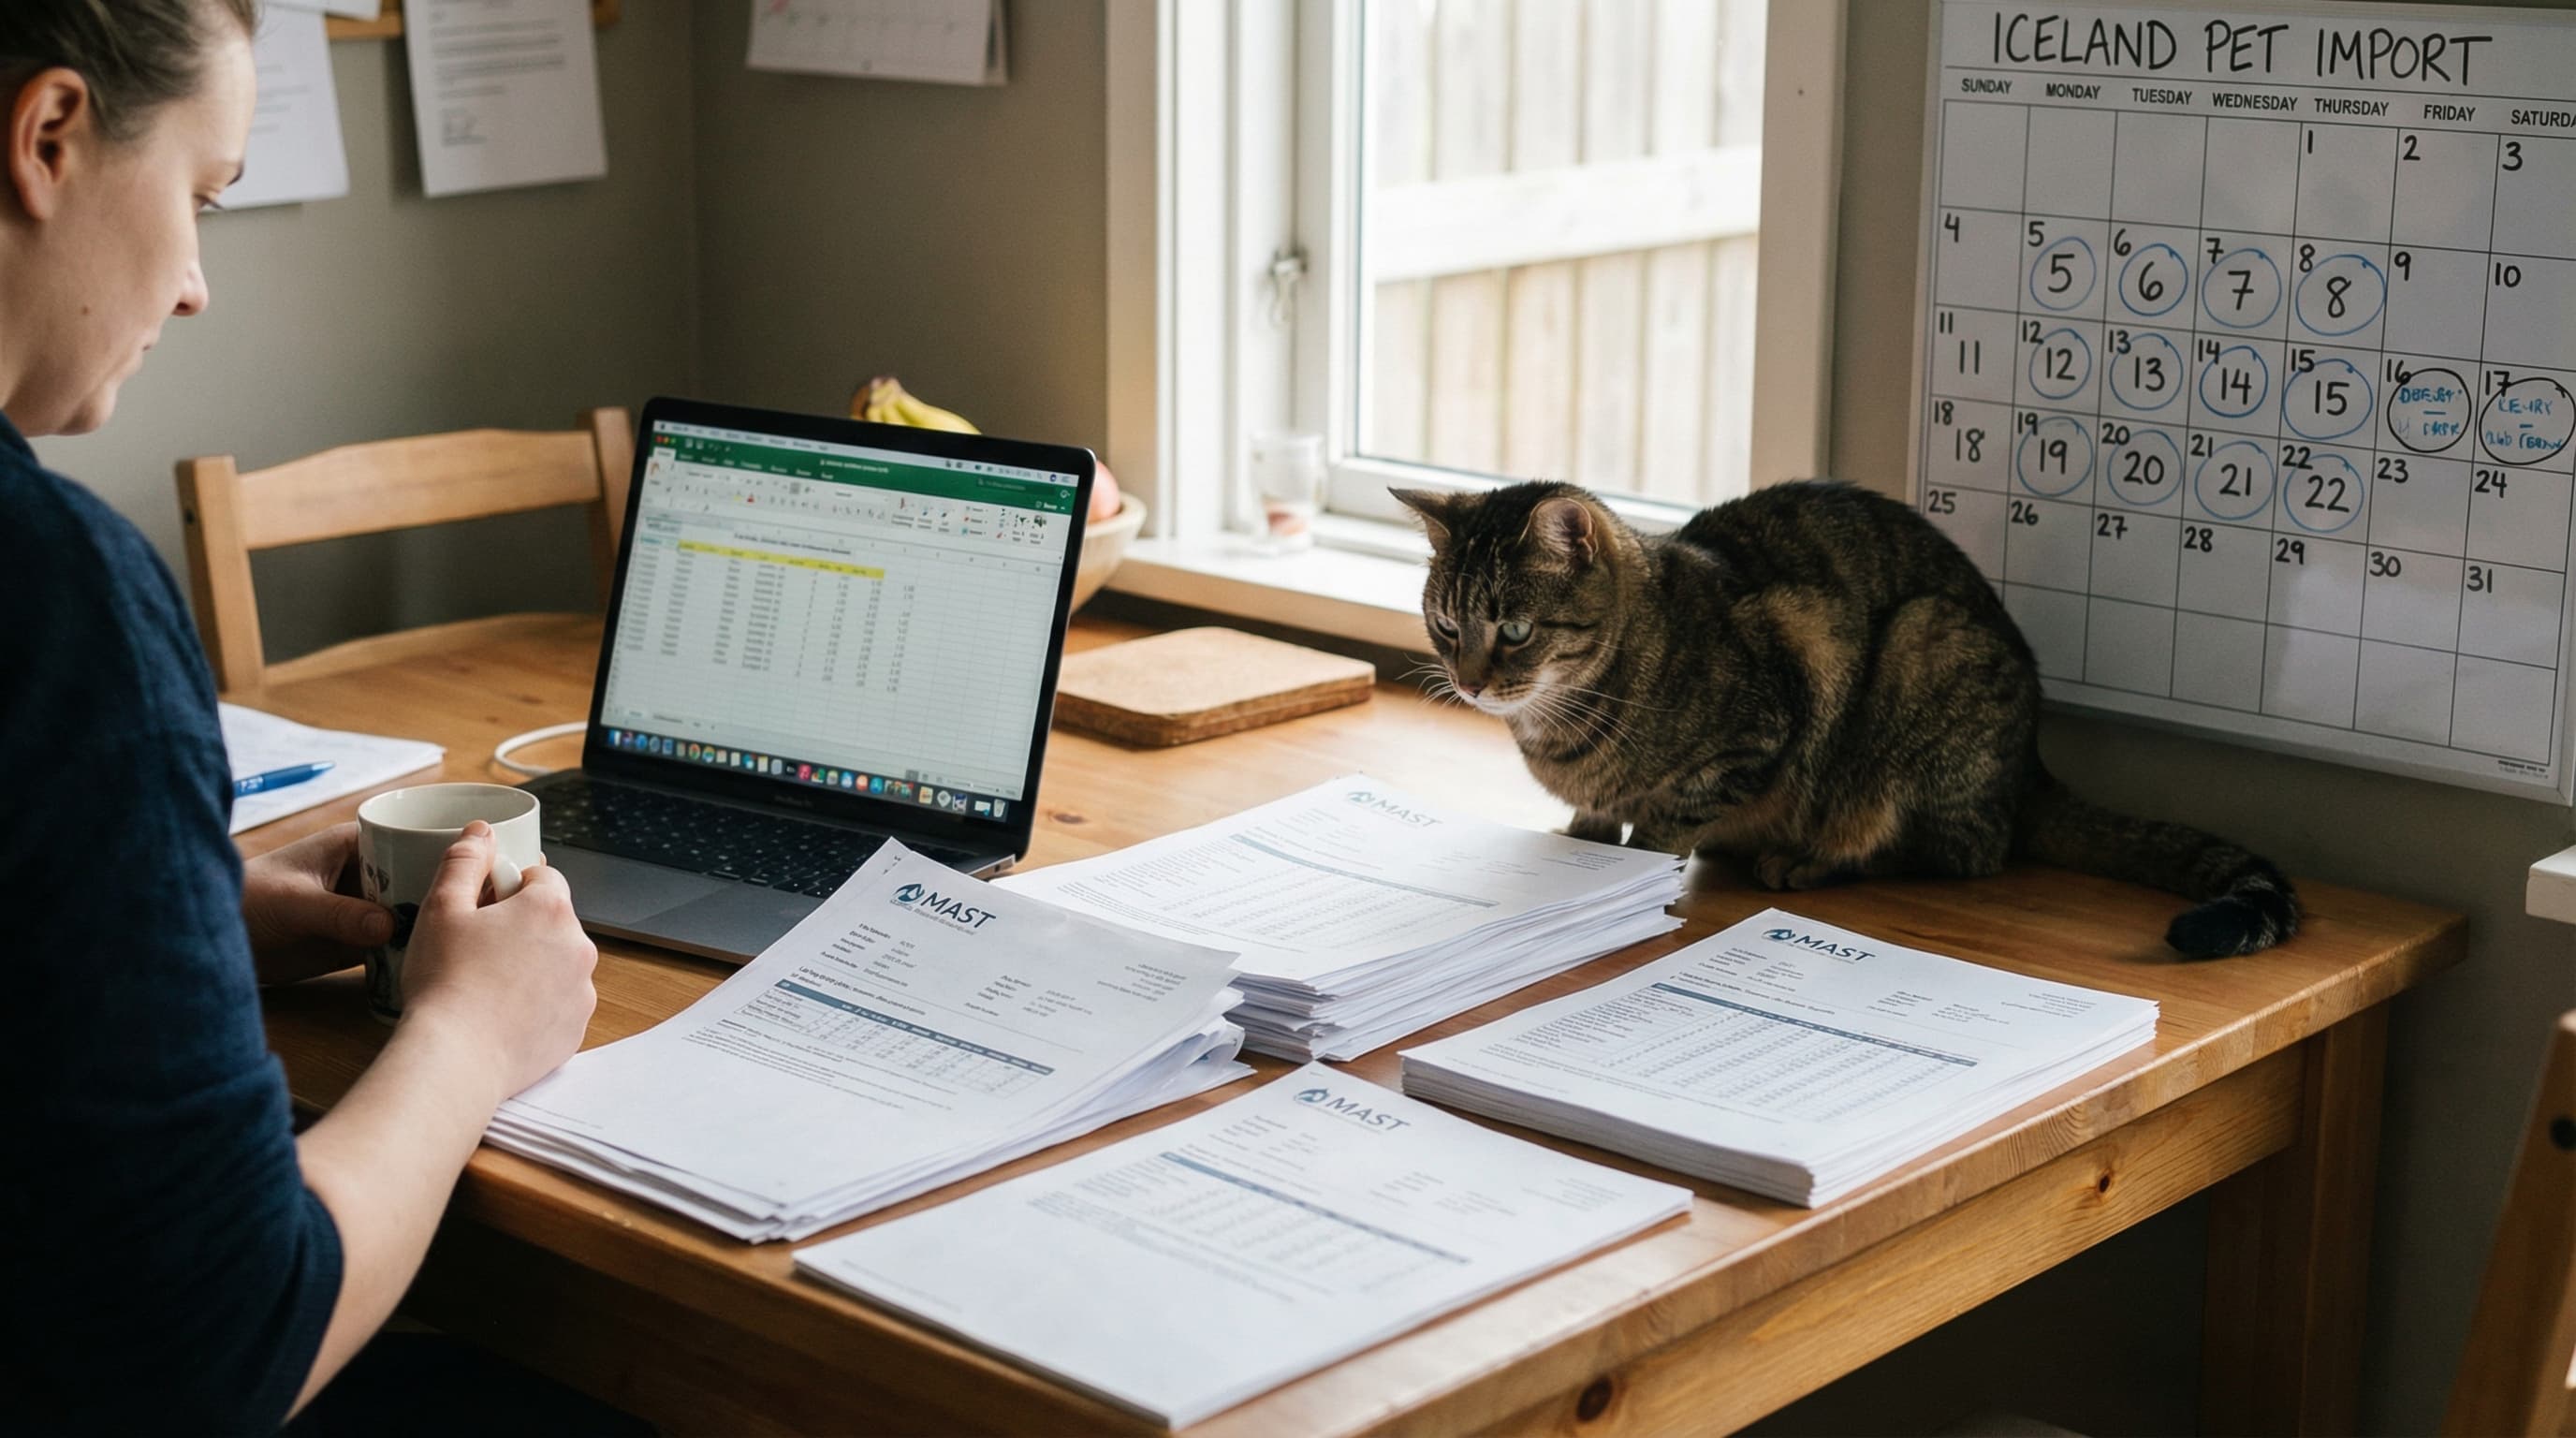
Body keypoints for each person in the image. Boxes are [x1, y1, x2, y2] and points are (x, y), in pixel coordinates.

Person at [0, 2, 602, 1430]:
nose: (197, 282)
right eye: (200, 197)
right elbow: (213, 1350)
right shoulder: (56, 603)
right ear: (49, 137)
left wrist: (181, 925)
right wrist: (472, 1039)